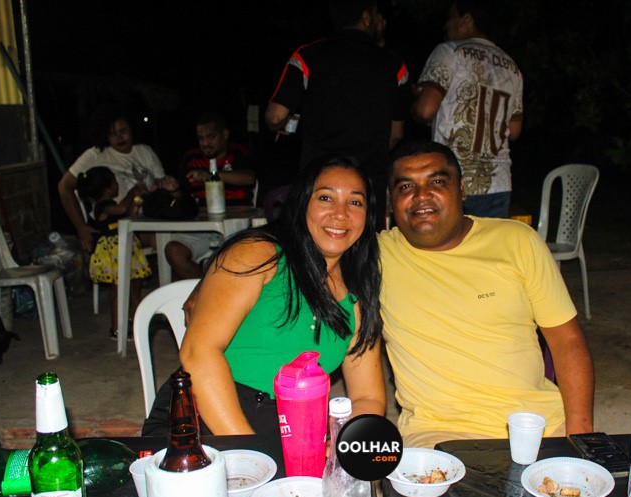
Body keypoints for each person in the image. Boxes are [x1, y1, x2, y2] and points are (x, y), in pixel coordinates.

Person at [144, 154, 386, 436]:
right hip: (200, 419)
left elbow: (368, 397)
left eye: (355, 202)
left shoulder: (357, 296)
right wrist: (250, 452)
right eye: (325, 198)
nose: (340, 213)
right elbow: (198, 353)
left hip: (293, 433)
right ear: (302, 203)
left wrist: (346, 444)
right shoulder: (259, 254)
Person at [379, 140, 594, 448]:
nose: (421, 195)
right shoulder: (378, 256)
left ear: (461, 190)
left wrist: (581, 437)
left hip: (539, 424)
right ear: (391, 201)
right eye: (406, 186)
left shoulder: (517, 241)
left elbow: (567, 341)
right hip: (439, 435)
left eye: (437, 182)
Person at [265, 0, 410, 231]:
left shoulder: (308, 55)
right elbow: (396, 134)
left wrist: (284, 125)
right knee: (366, 241)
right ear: (366, 16)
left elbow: (275, 116)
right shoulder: (394, 65)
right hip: (368, 180)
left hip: (320, 177)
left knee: (317, 239)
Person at [411, 1, 523, 218]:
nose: (446, 24)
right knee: (490, 241)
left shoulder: (449, 51)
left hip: (451, 178)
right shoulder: (512, 67)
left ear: (467, 19)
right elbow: (515, 130)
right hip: (498, 181)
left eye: (450, 17)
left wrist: (416, 103)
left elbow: (425, 110)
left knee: (446, 240)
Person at [57, 107, 175, 252]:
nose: (119, 137)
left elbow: (161, 183)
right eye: (113, 134)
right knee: (163, 240)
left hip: (151, 216)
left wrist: (165, 185)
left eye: (123, 131)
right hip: (119, 227)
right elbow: (64, 187)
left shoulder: (145, 151)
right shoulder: (96, 154)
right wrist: (80, 226)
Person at [165, 113, 257, 280]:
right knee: (174, 250)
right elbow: (182, 195)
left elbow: (249, 178)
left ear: (225, 134)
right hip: (200, 224)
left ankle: (214, 289)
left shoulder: (238, 152)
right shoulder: (191, 158)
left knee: (236, 258)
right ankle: (208, 289)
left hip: (235, 223)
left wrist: (211, 175)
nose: (205, 143)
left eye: (211, 137)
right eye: (201, 138)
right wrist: (173, 189)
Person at [75, 166, 152, 339]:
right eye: (115, 182)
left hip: (128, 248)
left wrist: (137, 202)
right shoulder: (102, 207)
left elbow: (128, 215)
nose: (118, 185)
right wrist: (131, 192)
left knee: (134, 291)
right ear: (108, 188)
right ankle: (116, 329)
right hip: (114, 253)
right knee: (119, 292)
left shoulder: (113, 205)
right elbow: (121, 210)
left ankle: (137, 325)